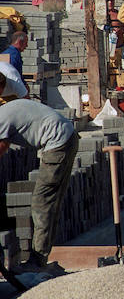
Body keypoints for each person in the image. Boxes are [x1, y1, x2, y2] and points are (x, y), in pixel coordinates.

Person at [0, 84, 79, 274]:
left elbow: (1, 147)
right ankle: (42, 256)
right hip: (67, 136)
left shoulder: (0, 119)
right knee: (51, 201)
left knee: (41, 202)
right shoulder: (6, 111)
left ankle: (37, 260)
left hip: (57, 143)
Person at [102, 0, 124, 89]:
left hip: (119, 50)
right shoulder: (100, 16)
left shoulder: (118, 14)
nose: (110, 2)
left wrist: (121, 29)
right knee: (108, 79)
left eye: (112, 0)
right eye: (108, 0)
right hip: (106, 53)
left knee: (122, 79)